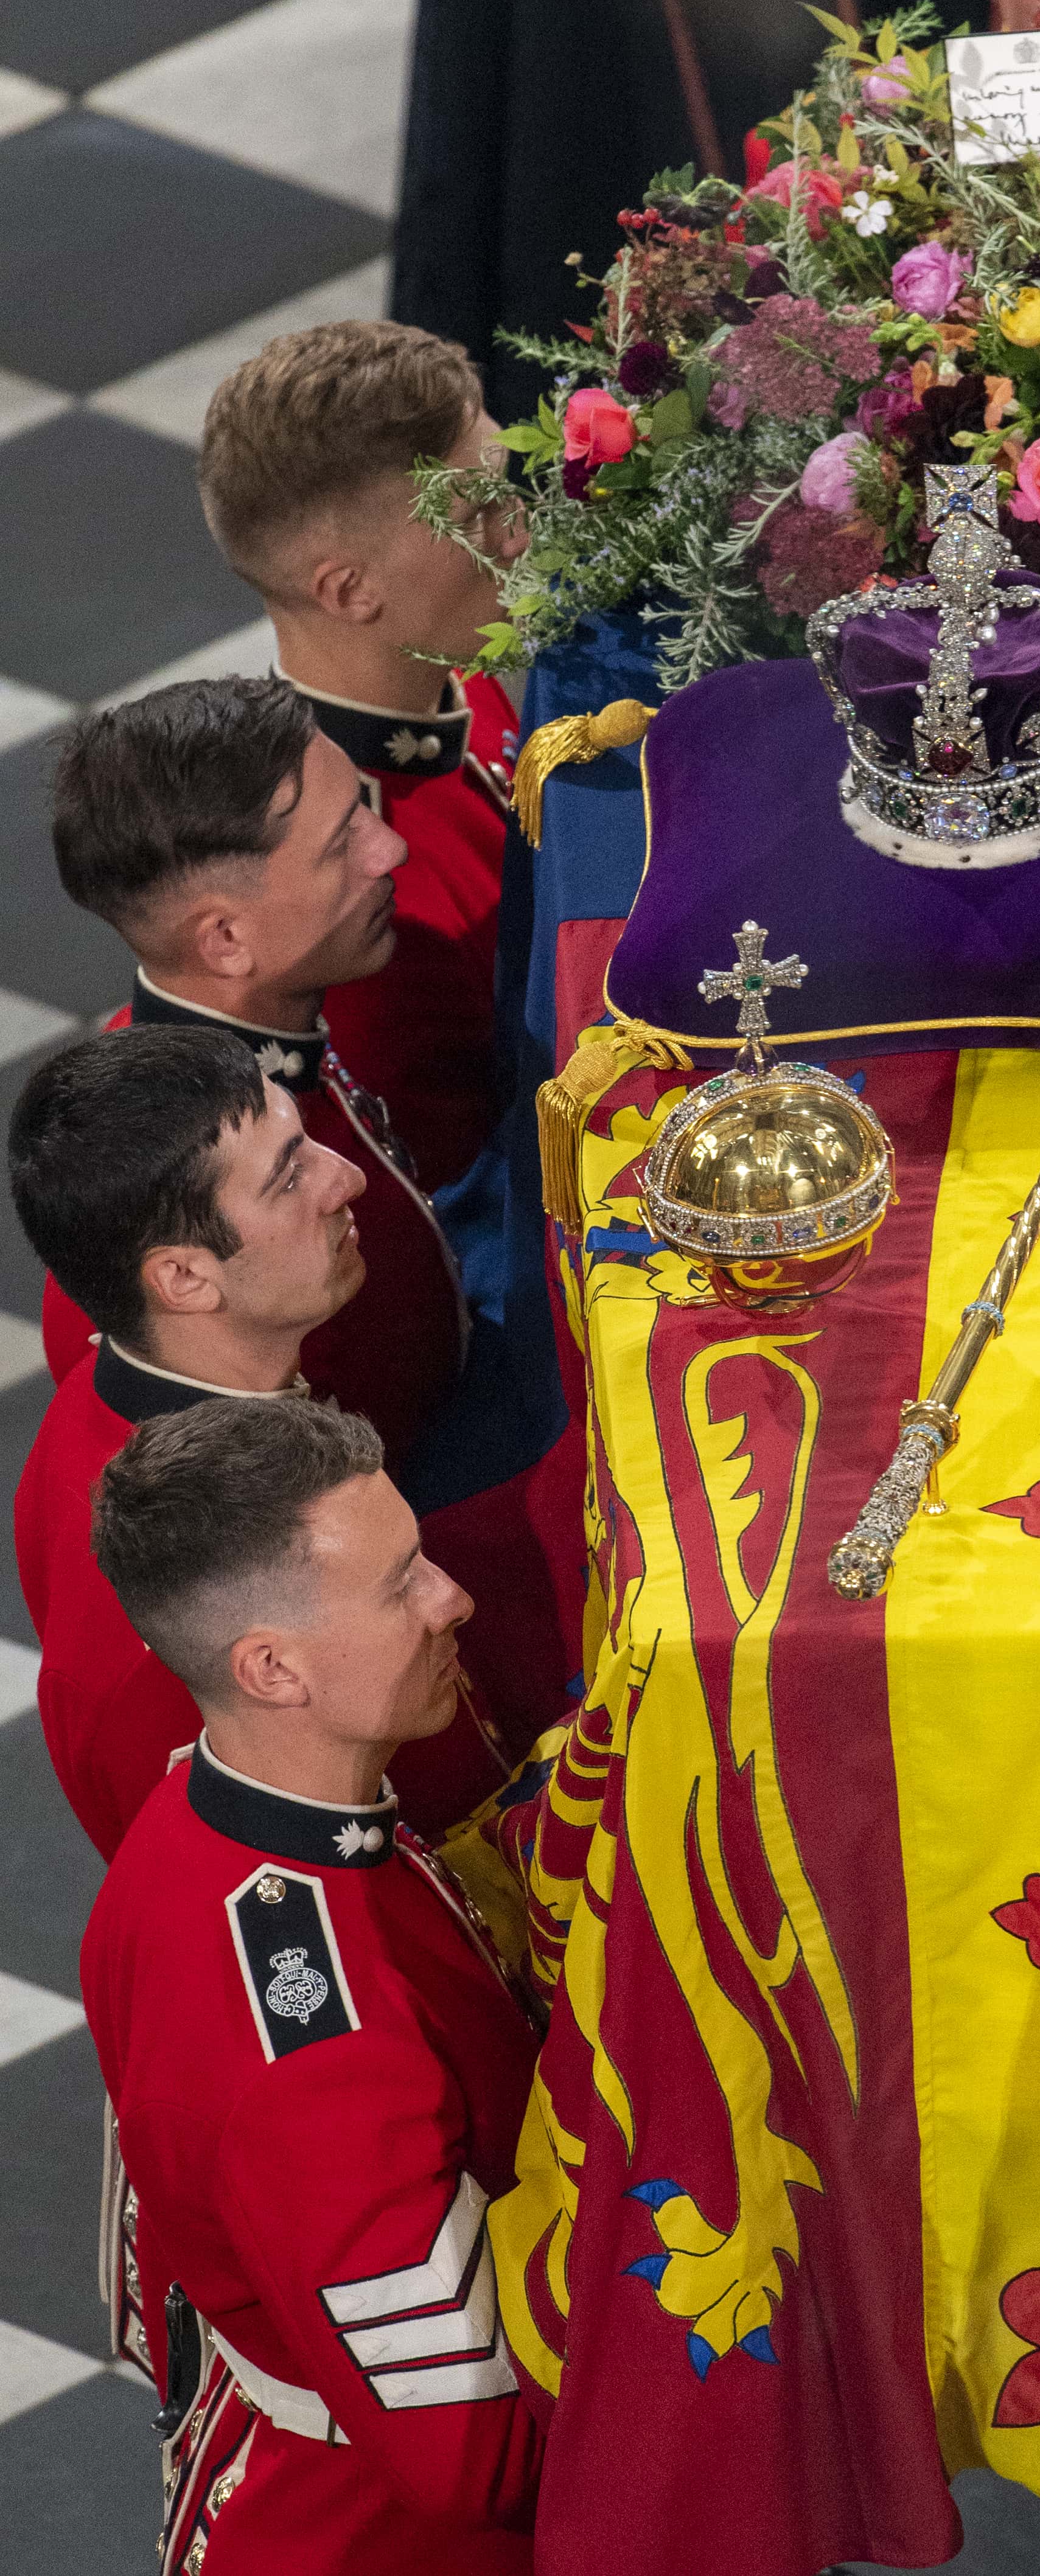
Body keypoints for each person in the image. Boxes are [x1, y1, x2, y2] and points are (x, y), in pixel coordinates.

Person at [80, 1396, 543, 2574]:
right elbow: (473, 2455)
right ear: (270, 1666)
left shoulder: (197, 1812)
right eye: (399, 1584)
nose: (450, 1598)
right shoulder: (317, 2052)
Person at [10, 1028, 511, 1856]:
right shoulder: (162, 1629)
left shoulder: (174, 1402)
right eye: (289, 1178)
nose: (344, 1177)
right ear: (184, 1279)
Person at [44, 676, 469, 1461]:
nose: (391, 848)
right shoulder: (185, 1216)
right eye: (342, 841)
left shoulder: (284, 1032)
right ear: (226, 941)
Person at [198, 319, 524, 1192]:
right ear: (349, 590)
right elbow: (464, 1196)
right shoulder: (356, 902)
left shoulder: (449, 669)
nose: (518, 536)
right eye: (478, 517)